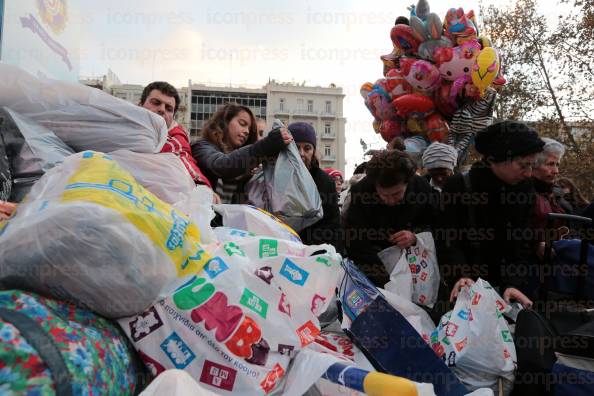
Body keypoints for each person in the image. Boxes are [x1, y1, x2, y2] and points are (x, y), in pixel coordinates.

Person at [438, 121, 545, 308]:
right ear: (497, 159)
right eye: (522, 166)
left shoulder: (525, 190)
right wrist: (460, 275)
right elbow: (448, 239)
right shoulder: (459, 187)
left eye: (531, 165)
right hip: (465, 290)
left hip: (508, 292)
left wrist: (513, 283)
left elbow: (520, 244)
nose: (528, 173)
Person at [343, 149, 436, 287]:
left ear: (407, 183)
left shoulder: (421, 188)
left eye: (397, 194)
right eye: (384, 195)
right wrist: (385, 280)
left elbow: (435, 225)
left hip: (416, 266)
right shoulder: (361, 193)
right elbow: (355, 242)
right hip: (373, 265)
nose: (391, 200)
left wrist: (415, 236)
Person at [191, 103, 292, 203]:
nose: (247, 131)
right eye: (242, 124)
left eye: (249, 129)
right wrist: (266, 145)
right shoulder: (201, 147)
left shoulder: (242, 165)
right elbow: (223, 165)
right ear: (225, 121)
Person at [139, 81, 211, 188]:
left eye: (169, 109)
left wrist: (201, 185)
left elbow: (182, 158)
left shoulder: (174, 138)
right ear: (140, 105)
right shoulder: (118, 122)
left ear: (173, 117)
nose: (162, 109)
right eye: (156, 102)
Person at [287, 122, 341, 249]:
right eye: (295, 147)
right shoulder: (274, 177)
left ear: (313, 151)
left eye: (307, 148)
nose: (301, 153)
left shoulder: (325, 182)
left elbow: (332, 225)